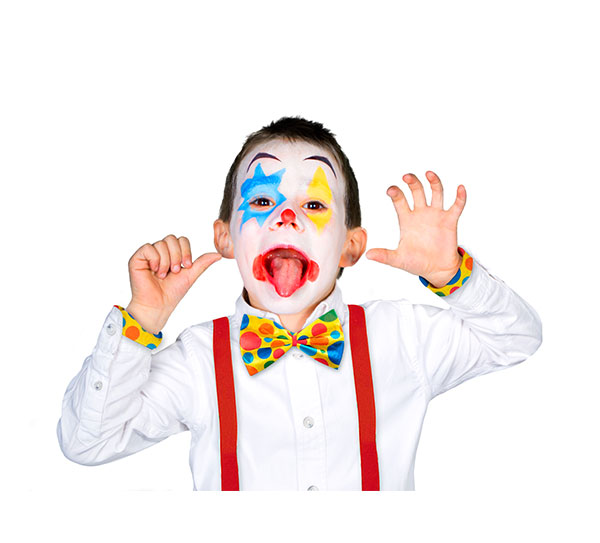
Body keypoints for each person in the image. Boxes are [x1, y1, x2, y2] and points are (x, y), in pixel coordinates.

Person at [57, 116, 542, 490]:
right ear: (225, 238)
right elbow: (86, 442)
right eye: (261, 202)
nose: (287, 217)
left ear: (350, 246)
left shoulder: (401, 338)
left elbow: (517, 338)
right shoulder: (199, 360)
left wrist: (452, 275)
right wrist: (142, 320)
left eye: (313, 204)